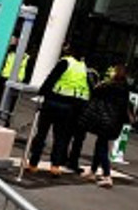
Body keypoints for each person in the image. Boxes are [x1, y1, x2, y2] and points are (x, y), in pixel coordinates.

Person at [25, 41, 90, 176]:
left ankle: (33, 163)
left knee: (41, 134)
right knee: (60, 137)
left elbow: (52, 79)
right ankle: (55, 166)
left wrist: (42, 93)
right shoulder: (82, 67)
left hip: (52, 102)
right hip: (68, 107)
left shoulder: (65, 62)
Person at [79, 64, 134, 189]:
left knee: (102, 148)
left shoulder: (110, 86)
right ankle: (93, 171)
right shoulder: (124, 88)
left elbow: (95, 92)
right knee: (100, 144)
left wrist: (97, 82)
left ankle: (107, 175)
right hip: (115, 122)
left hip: (105, 120)